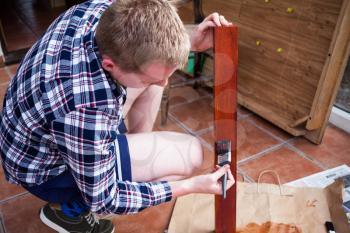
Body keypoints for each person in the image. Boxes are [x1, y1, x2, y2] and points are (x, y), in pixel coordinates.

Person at [0, 0, 235, 232]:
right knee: (191, 154)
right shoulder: (87, 111)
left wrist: (189, 40)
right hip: (44, 169)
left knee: (152, 79)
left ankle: (130, 160)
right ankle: (68, 212)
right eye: (151, 77)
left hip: (35, 130)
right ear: (110, 65)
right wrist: (191, 186)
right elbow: (104, 200)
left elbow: (146, 36)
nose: (165, 83)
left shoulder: (103, 9)